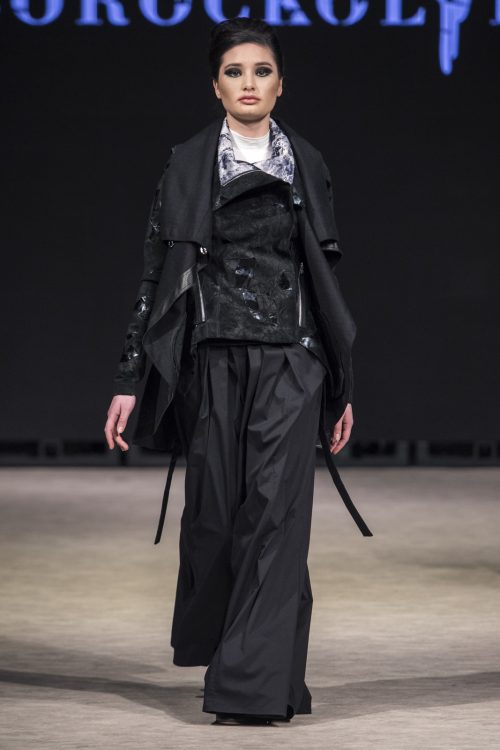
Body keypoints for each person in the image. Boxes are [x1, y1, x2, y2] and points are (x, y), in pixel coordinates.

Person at [104, 17, 372, 726]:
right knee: (219, 521)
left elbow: (322, 280)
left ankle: (249, 689)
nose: (248, 83)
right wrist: (130, 377)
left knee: (276, 517)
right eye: (234, 72)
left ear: (281, 84)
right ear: (215, 86)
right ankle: (270, 673)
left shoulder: (306, 162)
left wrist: (340, 383)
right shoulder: (187, 163)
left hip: (292, 359)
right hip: (214, 359)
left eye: (261, 71)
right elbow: (156, 275)